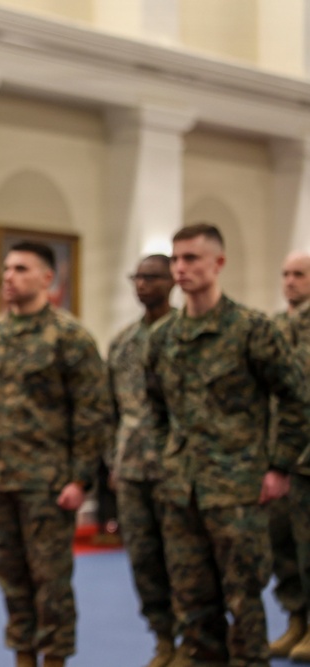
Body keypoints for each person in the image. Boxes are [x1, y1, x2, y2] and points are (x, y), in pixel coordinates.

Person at [145, 224, 310, 666]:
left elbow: (296, 397)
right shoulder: (162, 337)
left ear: (218, 263)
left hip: (239, 491)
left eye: (192, 258)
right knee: (194, 608)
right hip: (182, 493)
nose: (181, 268)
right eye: (176, 259)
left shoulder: (252, 329)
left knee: (244, 606)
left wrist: (278, 466)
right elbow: (155, 409)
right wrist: (167, 456)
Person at [0, 241, 112, 667]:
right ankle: (24, 656)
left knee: (50, 582)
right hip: (3, 480)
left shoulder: (70, 337)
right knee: (11, 579)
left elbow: (93, 413)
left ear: (47, 279)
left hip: (50, 485)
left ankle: (54, 658)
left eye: (21, 268)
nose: (9, 276)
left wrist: (81, 479)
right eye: (7, 268)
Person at [107, 255, 178, 667]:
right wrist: (112, 461)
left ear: (172, 281)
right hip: (133, 471)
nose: (143, 285)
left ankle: (193, 640)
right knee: (145, 561)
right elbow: (109, 409)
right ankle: (164, 638)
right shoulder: (123, 341)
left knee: (185, 562)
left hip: (176, 469)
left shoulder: (182, 334)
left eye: (152, 277)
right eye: (138, 277)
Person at [268, 251, 310, 660]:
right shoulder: (275, 328)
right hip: (281, 456)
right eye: (285, 274)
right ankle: (296, 620)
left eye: (299, 274)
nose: (290, 281)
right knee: (283, 546)